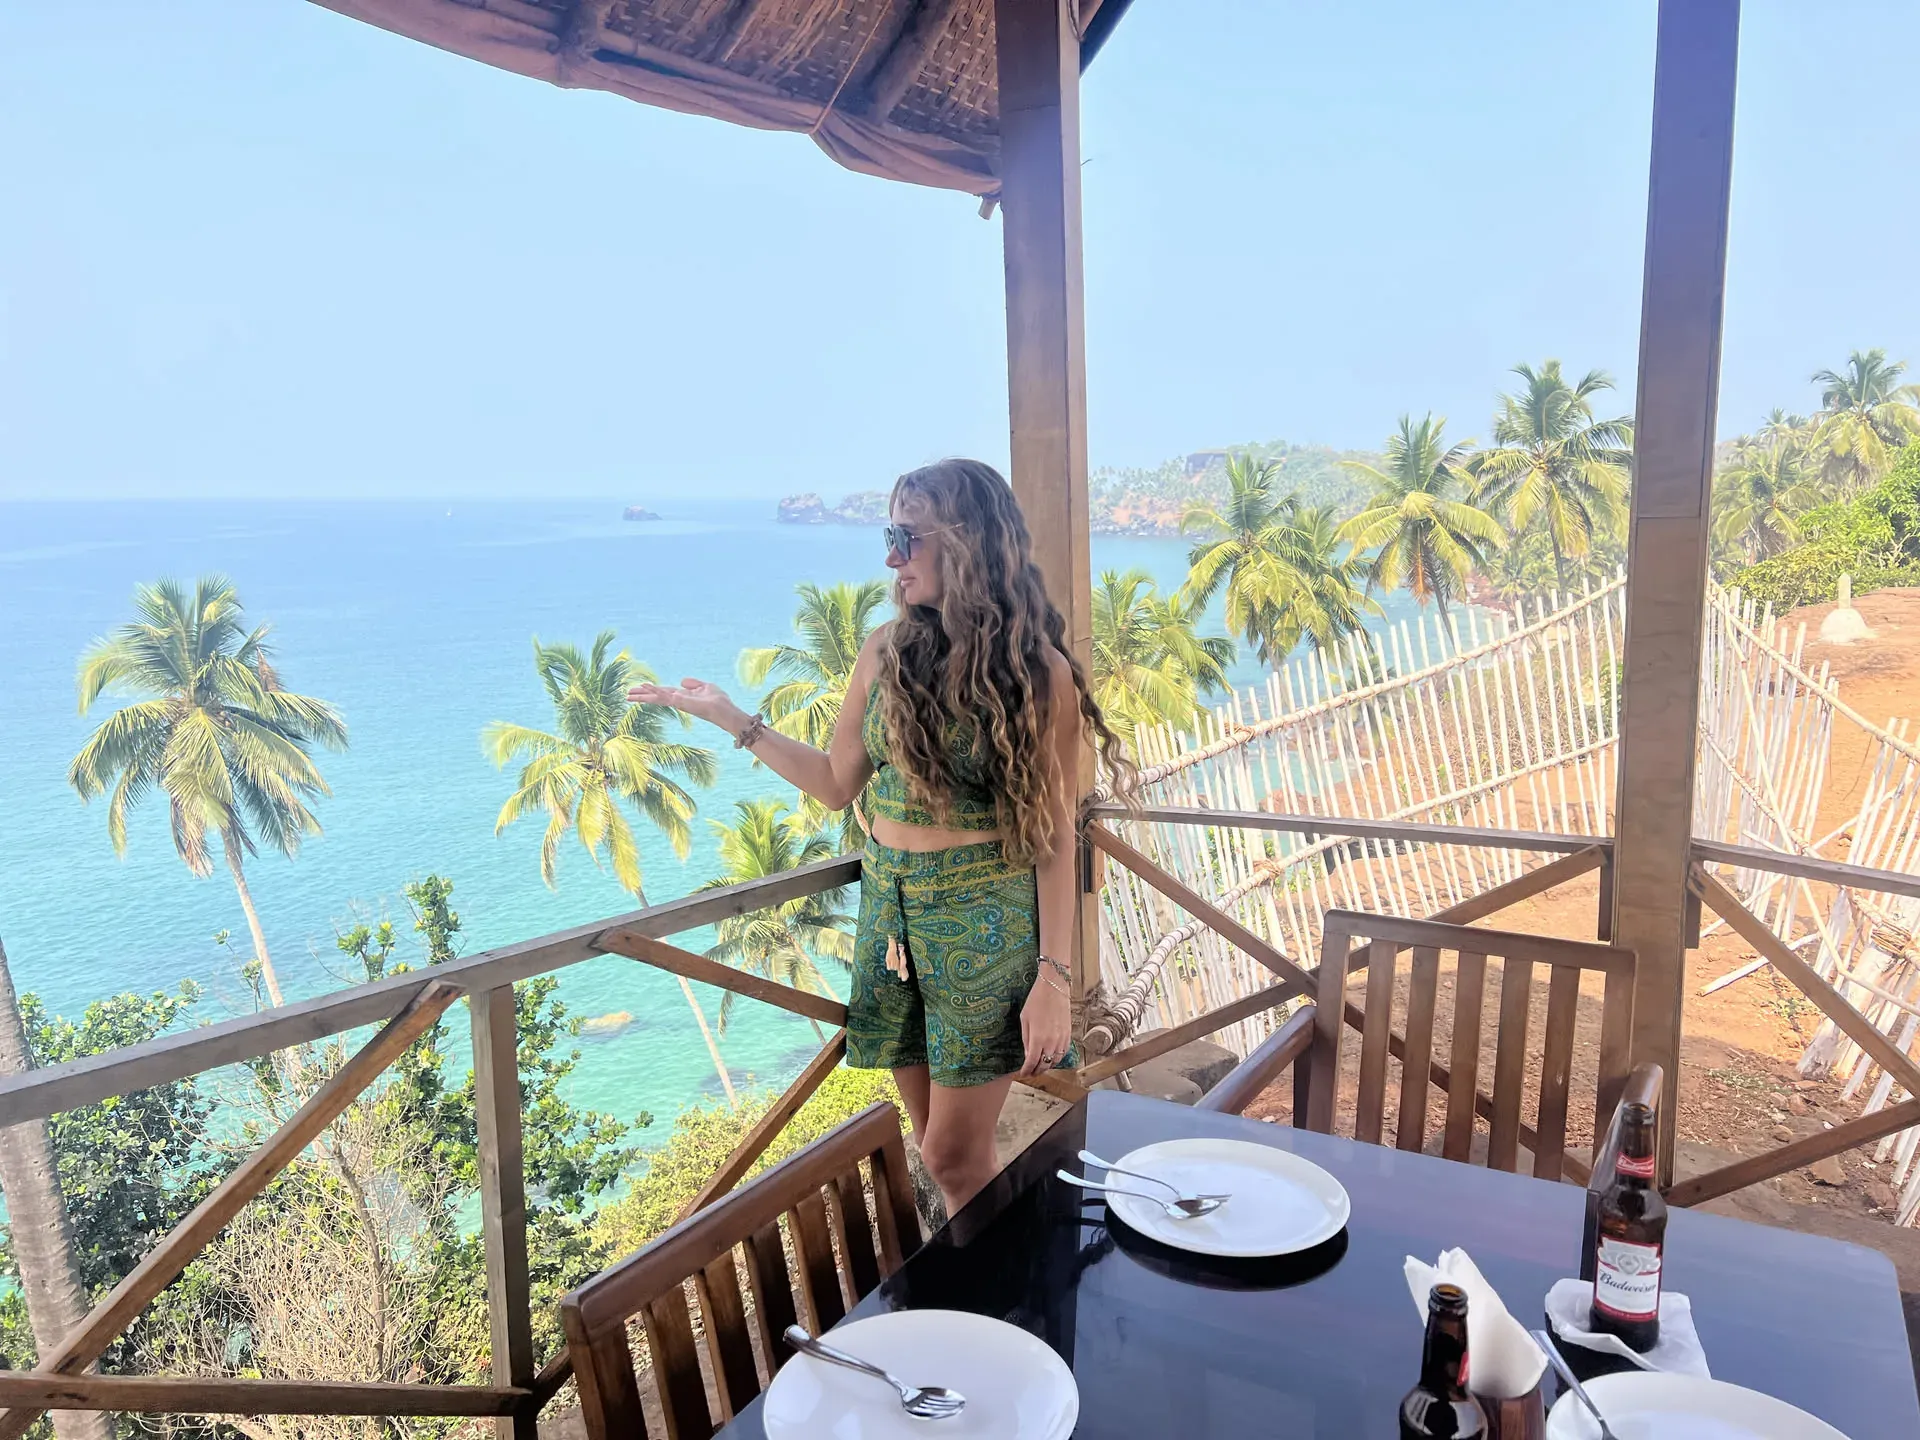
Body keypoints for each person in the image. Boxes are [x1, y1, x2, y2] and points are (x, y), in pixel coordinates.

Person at [631, 458, 1132, 1214]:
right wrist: (734, 719)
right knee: (942, 1153)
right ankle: (983, 1302)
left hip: (984, 929)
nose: (891, 557)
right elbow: (837, 781)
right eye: (887, 535)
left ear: (967, 542)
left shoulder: (1039, 674)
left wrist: (1054, 979)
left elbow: (1054, 835)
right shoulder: (883, 653)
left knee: (952, 1158)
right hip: (889, 921)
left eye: (907, 537)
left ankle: (1023, 1304)